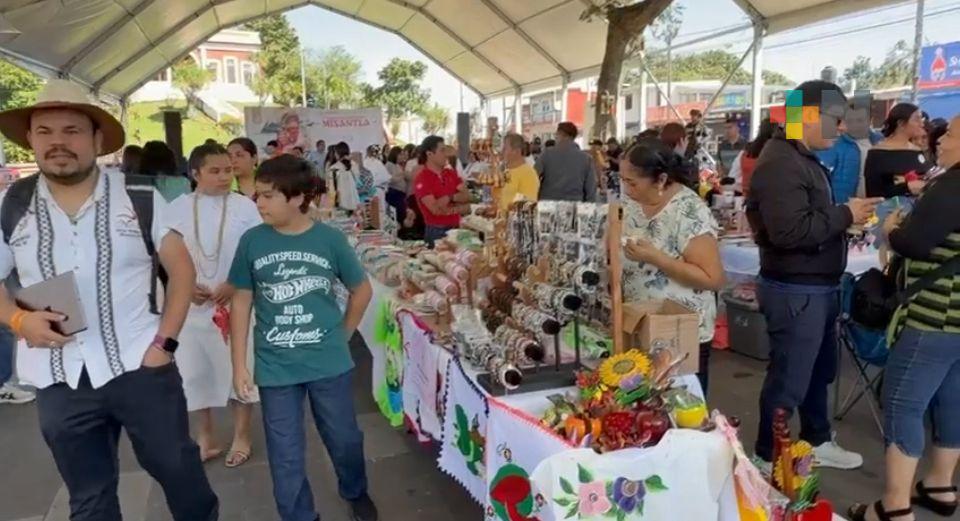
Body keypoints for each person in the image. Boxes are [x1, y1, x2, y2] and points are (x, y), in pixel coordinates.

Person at [0, 79, 218, 519]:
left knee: (179, 472)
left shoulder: (139, 196)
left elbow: (181, 272)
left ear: (97, 140)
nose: (58, 142)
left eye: (72, 130)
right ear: (30, 140)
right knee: (89, 496)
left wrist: (164, 345)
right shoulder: (13, 204)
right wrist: (18, 321)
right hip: (59, 378)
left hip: (140, 365)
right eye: (45, 131)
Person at [228, 155, 378, 521]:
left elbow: (361, 290)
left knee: (344, 438)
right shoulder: (252, 242)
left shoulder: (330, 240)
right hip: (275, 366)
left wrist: (343, 333)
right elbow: (241, 301)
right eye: (258, 195)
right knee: (285, 453)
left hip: (328, 362)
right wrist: (239, 365)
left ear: (296, 198)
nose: (259, 203)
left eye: (268, 196)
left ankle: (355, 490)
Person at [746, 80, 882, 472]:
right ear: (807, 115)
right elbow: (789, 232)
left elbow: (804, 220)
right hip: (796, 290)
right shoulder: (781, 162)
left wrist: (843, 220)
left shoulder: (799, 157)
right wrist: (844, 214)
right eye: (836, 119)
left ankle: (816, 439)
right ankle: (766, 455)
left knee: (817, 373)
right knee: (789, 380)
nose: (842, 128)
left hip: (814, 287)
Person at [849, 114, 960, 521]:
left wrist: (891, 230)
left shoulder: (951, 186)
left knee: (902, 402)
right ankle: (940, 484)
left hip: (934, 316)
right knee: (951, 399)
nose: (940, 138)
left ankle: (894, 506)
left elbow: (914, 243)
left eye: (951, 133)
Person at [168, 143, 262, 469]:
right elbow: (164, 254)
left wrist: (236, 282)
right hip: (192, 306)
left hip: (236, 301)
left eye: (228, 170)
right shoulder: (176, 208)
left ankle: (242, 435)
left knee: (240, 369)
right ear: (195, 173)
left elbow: (256, 250)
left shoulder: (246, 207)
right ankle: (205, 436)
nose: (224, 177)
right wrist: (183, 285)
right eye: (215, 171)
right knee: (195, 373)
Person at [620, 141, 724, 394]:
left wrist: (656, 258)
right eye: (623, 181)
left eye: (632, 183)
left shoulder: (689, 211)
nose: (627, 189)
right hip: (637, 324)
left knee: (680, 404)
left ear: (661, 180)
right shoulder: (632, 203)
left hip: (679, 331)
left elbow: (712, 278)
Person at [816, 105, 881, 204]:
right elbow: (821, 175)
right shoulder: (833, 143)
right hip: (844, 204)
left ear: (870, 120)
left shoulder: (880, 141)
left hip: (875, 202)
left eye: (860, 120)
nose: (855, 125)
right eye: (850, 120)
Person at [865, 103, 932, 199]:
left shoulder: (917, 151)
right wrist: (906, 187)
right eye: (916, 119)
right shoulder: (877, 153)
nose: (921, 124)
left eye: (921, 119)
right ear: (901, 123)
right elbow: (873, 192)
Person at [413, 135, 470, 245]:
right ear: (429, 154)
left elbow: (467, 197)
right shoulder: (422, 179)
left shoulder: (451, 173)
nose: (446, 154)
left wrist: (450, 198)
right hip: (437, 231)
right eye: (442, 150)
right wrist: (458, 205)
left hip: (456, 228)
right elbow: (435, 210)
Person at [536, 122, 597, 202]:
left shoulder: (547, 154)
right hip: (574, 203)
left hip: (548, 202)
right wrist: (589, 205)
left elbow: (534, 175)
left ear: (560, 134)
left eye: (556, 134)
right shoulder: (586, 158)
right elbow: (591, 188)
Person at [729, 119, 778, 196]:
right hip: (771, 198)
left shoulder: (745, 153)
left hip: (747, 198)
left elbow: (732, 179)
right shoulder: (778, 154)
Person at [499, 133, 540, 211]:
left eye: (505, 148)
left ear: (516, 151)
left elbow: (528, 206)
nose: (502, 152)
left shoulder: (528, 174)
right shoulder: (508, 171)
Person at [327, 142, 361, 212]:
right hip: (354, 200)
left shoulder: (334, 168)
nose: (335, 154)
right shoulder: (354, 165)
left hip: (341, 202)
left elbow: (331, 188)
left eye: (335, 152)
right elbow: (357, 180)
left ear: (339, 153)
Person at [385, 146, 409, 223]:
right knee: (397, 215)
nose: (403, 156)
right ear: (395, 154)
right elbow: (390, 180)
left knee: (402, 214)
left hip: (400, 194)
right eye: (400, 154)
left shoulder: (398, 165)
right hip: (394, 193)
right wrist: (402, 175)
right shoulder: (389, 165)